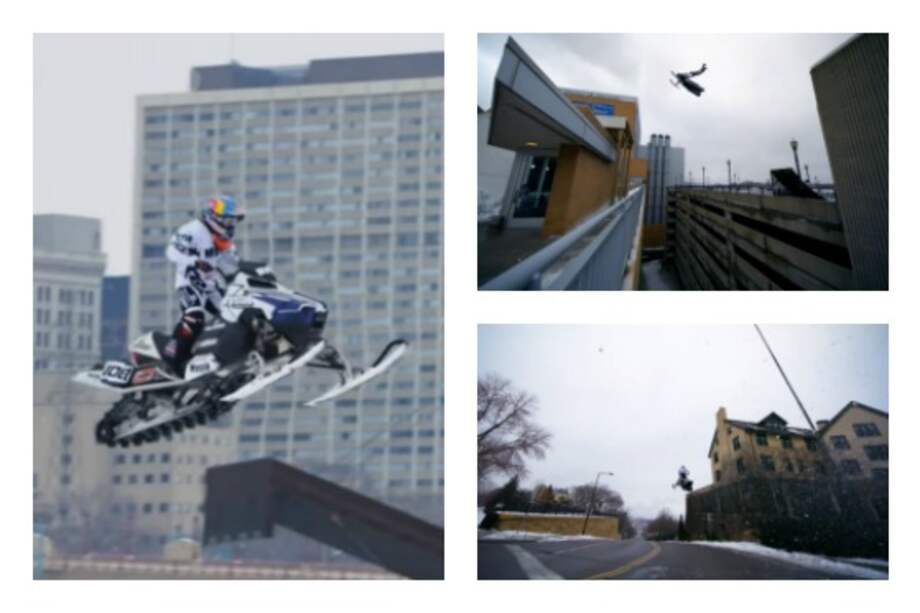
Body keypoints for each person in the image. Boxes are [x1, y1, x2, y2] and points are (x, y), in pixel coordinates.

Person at [163, 196, 244, 376]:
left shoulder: (224, 239)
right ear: (215, 217)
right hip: (189, 282)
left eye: (233, 221)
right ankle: (172, 359)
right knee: (194, 318)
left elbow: (233, 264)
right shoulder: (192, 230)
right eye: (228, 220)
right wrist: (194, 261)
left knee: (235, 315)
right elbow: (171, 252)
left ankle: (223, 356)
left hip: (211, 286)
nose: (231, 224)